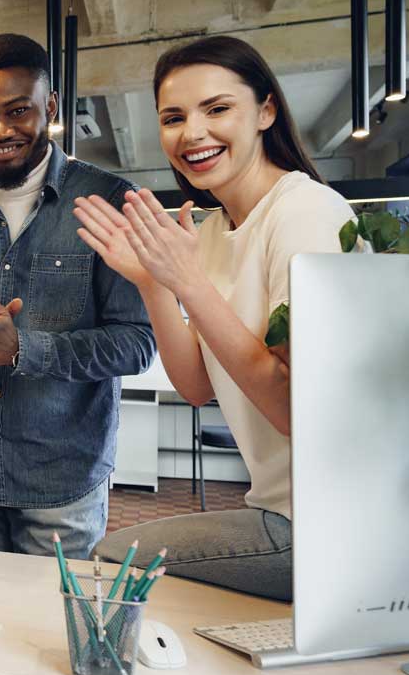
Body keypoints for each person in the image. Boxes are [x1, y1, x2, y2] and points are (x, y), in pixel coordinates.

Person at [81, 36, 357, 601]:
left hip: (334, 525)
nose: (193, 133)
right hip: (279, 510)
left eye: (217, 108)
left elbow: (296, 410)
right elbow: (198, 386)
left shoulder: (306, 213)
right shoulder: (209, 232)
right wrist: (155, 283)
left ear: (266, 111)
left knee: (112, 562)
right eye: (174, 117)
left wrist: (188, 282)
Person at [0, 34, 156, 558]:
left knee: (49, 627)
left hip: (63, 477)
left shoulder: (108, 200)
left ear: (50, 107)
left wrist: (22, 349)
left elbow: (136, 344)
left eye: (17, 110)